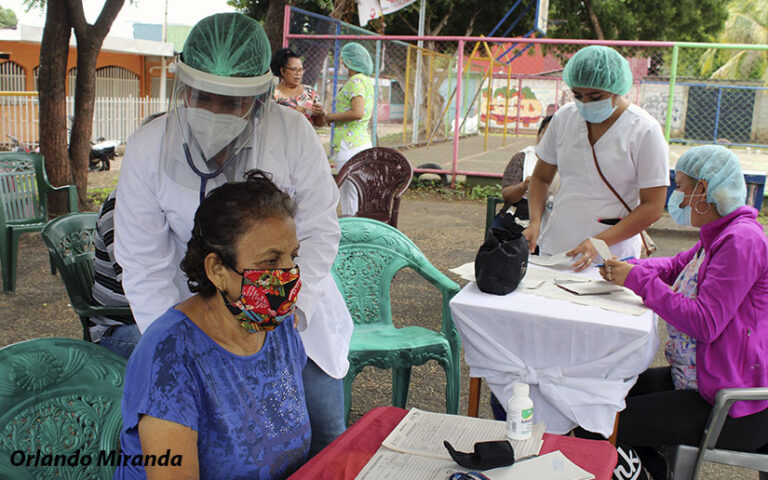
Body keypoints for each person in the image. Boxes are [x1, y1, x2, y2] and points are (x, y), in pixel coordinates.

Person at [114, 13, 352, 457]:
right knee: (224, 447)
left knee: (321, 441)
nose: (217, 113)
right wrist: (189, 342)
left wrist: (285, 313)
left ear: (260, 96)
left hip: (291, 314)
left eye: (234, 102)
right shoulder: (150, 146)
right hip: (200, 317)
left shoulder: (292, 133)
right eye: (204, 97)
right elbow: (145, 261)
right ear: (184, 87)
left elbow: (320, 229)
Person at [115, 171, 310, 479]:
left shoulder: (279, 325)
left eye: (292, 257)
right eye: (270, 262)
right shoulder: (170, 356)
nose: (287, 275)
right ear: (217, 269)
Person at [599, 145, 768, 479]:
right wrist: (631, 267)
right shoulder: (719, 233)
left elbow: (705, 322)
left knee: (611, 423)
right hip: (701, 377)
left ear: (703, 190)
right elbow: (677, 266)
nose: (676, 195)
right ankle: (655, 468)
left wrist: (639, 281)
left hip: (730, 403)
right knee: (603, 394)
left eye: (682, 187)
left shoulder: (741, 240)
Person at [524, 45, 669, 271]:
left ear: (617, 88)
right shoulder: (564, 118)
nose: (586, 103)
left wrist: (599, 242)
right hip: (558, 244)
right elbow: (541, 178)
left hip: (612, 253)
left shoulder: (644, 130)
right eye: (578, 95)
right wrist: (534, 222)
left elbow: (653, 206)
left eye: (596, 96)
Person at [316, 42, 374, 215]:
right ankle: (359, 233)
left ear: (350, 61)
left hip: (349, 145)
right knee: (358, 194)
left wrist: (329, 116)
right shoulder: (366, 80)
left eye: (343, 59)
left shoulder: (355, 81)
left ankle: (352, 236)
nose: (341, 63)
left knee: (349, 197)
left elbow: (357, 112)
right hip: (361, 142)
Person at [90, 190, 138, 359]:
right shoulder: (122, 205)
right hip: (119, 325)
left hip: (148, 316)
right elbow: (135, 283)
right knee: (195, 344)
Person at [500, 115, 554, 221]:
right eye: (547, 133)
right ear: (539, 134)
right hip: (520, 219)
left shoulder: (569, 163)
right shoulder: (523, 158)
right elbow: (507, 195)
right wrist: (523, 186)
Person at [271, 48, 325, 127]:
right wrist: (293, 114)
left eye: (301, 70)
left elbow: (319, 124)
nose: (298, 74)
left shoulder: (310, 92)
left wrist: (320, 113)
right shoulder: (272, 94)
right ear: (282, 71)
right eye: (293, 69)